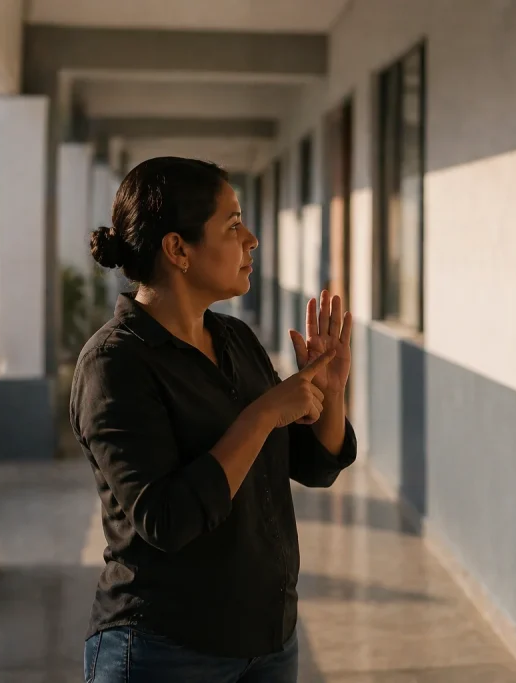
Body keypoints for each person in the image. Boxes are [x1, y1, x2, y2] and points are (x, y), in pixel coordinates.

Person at [69, 156, 357, 683]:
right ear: (178, 249)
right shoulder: (115, 365)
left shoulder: (235, 340)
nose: (250, 239)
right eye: (231, 225)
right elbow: (166, 518)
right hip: (164, 649)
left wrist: (329, 393)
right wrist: (266, 411)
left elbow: (313, 464)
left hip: (268, 639)